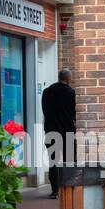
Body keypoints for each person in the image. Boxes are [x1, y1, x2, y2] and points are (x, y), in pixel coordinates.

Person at [41, 68, 75, 198]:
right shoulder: (71, 93)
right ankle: (69, 187)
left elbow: (45, 111)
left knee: (53, 161)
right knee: (70, 161)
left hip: (51, 130)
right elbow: (74, 113)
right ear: (68, 79)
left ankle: (55, 191)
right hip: (67, 131)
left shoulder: (47, 92)